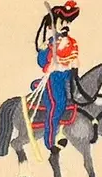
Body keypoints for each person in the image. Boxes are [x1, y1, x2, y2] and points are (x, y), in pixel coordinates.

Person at [35, 1, 81, 151]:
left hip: (68, 75)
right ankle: (50, 141)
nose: (65, 25)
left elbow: (73, 57)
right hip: (54, 77)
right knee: (58, 103)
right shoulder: (49, 43)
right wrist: (48, 59)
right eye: (62, 22)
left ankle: (65, 131)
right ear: (52, 26)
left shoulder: (71, 42)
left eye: (67, 22)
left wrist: (74, 63)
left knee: (77, 98)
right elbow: (42, 61)